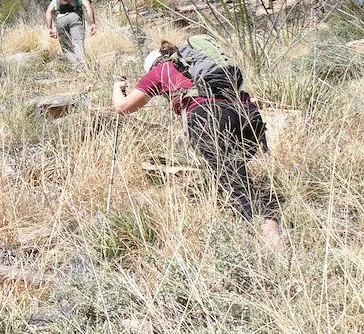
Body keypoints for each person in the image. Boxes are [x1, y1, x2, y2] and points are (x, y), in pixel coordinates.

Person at [111, 40, 285, 254]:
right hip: (249, 116)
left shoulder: (160, 71)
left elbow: (122, 107)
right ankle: (241, 221)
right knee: (229, 174)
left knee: (238, 187)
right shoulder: (196, 64)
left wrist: (116, 88)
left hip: (211, 116)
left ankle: (274, 247)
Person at [45, 0, 96, 68]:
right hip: (75, 18)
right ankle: (82, 67)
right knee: (78, 43)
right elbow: (88, 8)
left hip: (60, 21)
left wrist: (49, 28)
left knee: (66, 47)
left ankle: (76, 65)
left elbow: (49, 11)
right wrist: (92, 23)